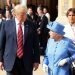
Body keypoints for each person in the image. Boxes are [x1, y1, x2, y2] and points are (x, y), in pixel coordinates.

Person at [0, 4, 40, 75]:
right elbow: (1, 44)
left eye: (25, 14)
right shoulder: (6, 25)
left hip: (27, 62)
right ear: (15, 14)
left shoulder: (32, 25)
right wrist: (0, 60)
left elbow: (36, 44)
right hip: (10, 62)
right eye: (22, 14)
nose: (25, 16)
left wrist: (36, 60)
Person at [64, 8, 75, 75]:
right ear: (67, 16)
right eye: (69, 15)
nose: (71, 17)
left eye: (73, 15)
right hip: (67, 55)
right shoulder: (64, 28)